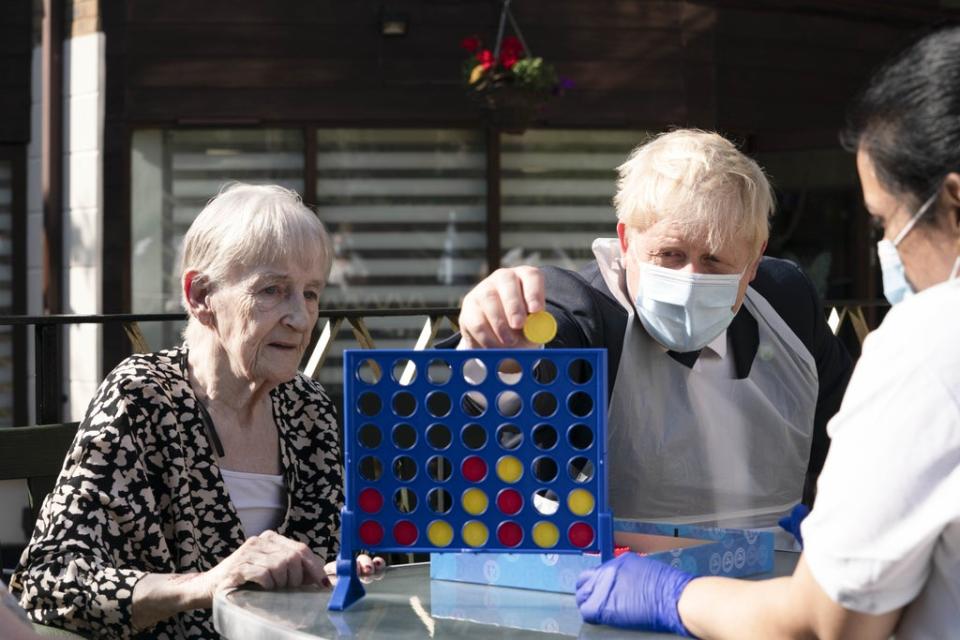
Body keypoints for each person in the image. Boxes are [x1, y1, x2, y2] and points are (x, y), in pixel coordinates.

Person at [575, 25, 960, 639]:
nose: (888, 248)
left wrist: (677, 595)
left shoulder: (927, 346)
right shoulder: (590, 312)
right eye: (670, 254)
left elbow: (829, 623)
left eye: (885, 221)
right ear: (626, 243)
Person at [10, 184, 379, 639]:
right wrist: (206, 584)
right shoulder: (143, 398)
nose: (301, 319)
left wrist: (340, 573)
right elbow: (49, 583)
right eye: (272, 290)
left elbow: (323, 565)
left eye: (310, 293)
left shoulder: (306, 408)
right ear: (201, 294)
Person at [457, 128, 852, 530]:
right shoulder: (582, 311)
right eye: (670, 254)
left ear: (754, 261)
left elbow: (854, 441)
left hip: (775, 583)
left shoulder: (786, 303)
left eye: (714, 260)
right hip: (623, 586)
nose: (690, 277)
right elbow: (513, 431)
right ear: (625, 240)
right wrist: (498, 355)